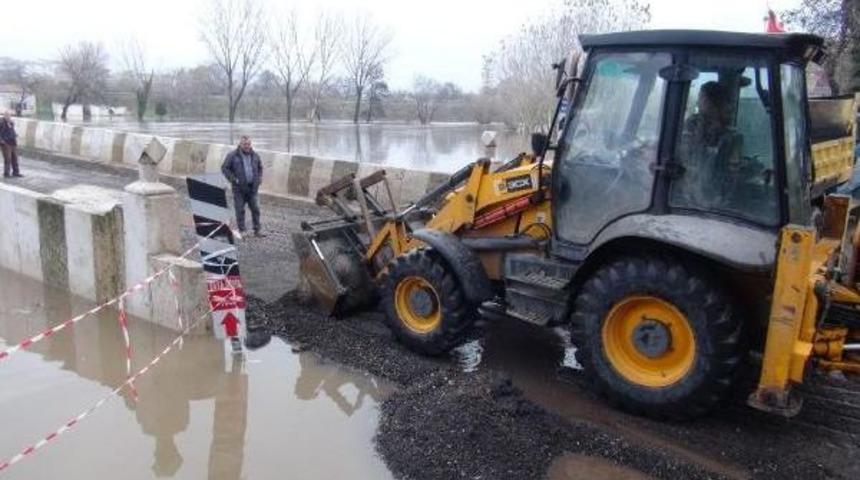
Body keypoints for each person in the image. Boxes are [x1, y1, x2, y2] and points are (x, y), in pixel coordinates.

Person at [221, 135, 265, 237]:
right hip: (239, 189)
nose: (247, 146)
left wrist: (260, 178)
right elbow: (224, 168)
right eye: (245, 144)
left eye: (249, 144)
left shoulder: (255, 155)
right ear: (240, 144)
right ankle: (242, 230)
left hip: (253, 188)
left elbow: (260, 167)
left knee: (256, 209)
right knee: (240, 210)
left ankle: (257, 230)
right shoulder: (232, 155)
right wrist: (233, 179)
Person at [0, 110, 21, 178]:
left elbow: (12, 131)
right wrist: (1, 140)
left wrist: (15, 135)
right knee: (8, 158)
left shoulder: (11, 123)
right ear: (4, 115)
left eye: (9, 115)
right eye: (7, 115)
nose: (9, 117)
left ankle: (16, 172)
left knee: (15, 157)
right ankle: (7, 173)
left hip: (13, 142)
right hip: (5, 143)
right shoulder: (1, 122)